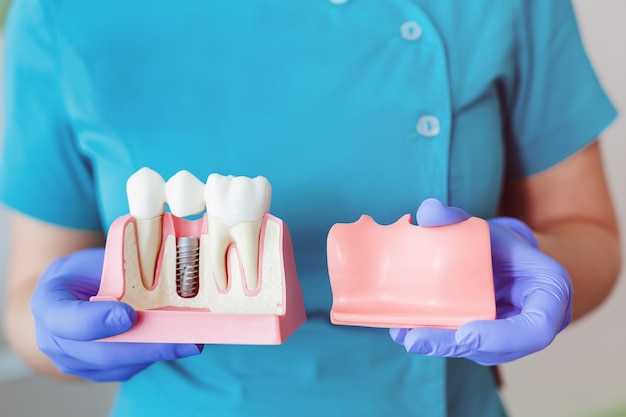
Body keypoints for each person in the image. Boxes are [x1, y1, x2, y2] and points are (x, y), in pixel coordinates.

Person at [0, 0, 621, 416]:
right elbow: (27, 298)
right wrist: (58, 329)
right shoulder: (60, 14)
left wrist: (518, 271)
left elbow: (587, 233)